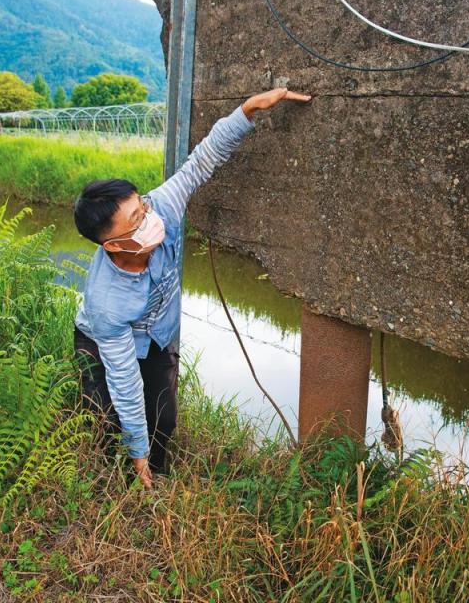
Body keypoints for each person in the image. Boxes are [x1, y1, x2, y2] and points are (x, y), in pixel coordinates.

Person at [72, 87, 312, 488]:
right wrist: (135, 449)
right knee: (107, 411)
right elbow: (126, 381)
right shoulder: (106, 304)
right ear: (113, 245)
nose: (149, 216)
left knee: (163, 416)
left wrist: (248, 109)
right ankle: (120, 472)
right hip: (103, 343)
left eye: (142, 206)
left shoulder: (160, 206)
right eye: (136, 218)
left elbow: (201, 162)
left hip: (157, 336)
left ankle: (156, 472)